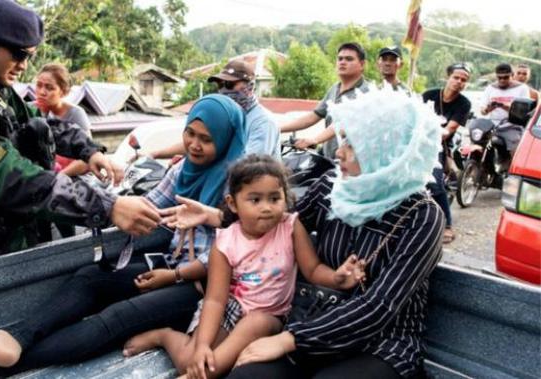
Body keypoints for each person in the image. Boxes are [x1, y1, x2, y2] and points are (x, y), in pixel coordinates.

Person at [0, 94, 249, 378]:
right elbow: (149, 208)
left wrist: (175, 273)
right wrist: (104, 200)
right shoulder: (183, 170)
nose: (194, 144)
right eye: (189, 133)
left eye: (206, 139)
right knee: (90, 278)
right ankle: (13, 339)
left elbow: (242, 252)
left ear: (226, 140)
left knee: (114, 319)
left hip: (207, 288)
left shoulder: (241, 185)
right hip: (171, 264)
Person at [164, 87, 445, 379]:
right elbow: (272, 222)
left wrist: (288, 339)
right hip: (315, 320)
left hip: (381, 343)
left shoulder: (422, 216)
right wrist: (216, 216)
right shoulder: (332, 185)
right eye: (342, 140)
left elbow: (379, 306)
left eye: (352, 144)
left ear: (386, 152)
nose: (338, 151)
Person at [0, 0, 160, 266]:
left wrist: (88, 150)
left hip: (13, 245)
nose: (24, 65)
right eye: (18, 54)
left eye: (29, 56)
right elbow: (11, 177)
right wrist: (108, 206)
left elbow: (39, 123)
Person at [122, 155, 365, 378]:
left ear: (285, 198)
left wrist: (337, 278)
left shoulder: (290, 227)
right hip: (231, 306)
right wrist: (203, 345)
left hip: (271, 315)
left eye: (275, 198)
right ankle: (165, 336)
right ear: (233, 203)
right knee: (190, 360)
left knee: (253, 325)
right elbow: (215, 300)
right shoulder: (225, 243)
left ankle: (202, 374)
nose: (267, 207)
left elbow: (312, 270)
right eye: (255, 199)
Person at [147, 60, 281, 161]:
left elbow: (248, 165)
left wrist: (194, 164)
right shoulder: (225, 118)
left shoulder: (262, 123)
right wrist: (154, 154)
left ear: (250, 86)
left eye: (229, 84)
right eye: (220, 85)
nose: (223, 90)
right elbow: (197, 144)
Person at [281, 42, 371, 156]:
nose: (343, 62)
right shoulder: (334, 88)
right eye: (340, 59)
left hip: (352, 165)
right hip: (328, 159)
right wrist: (277, 128)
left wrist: (315, 140)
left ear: (362, 64)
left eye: (349, 59)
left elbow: (342, 125)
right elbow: (313, 117)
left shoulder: (366, 92)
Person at [422, 63, 472, 244]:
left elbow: (448, 130)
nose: (459, 82)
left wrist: (430, 130)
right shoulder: (429, 95)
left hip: (439, 144)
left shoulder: (464, 103)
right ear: (448, 77)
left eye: (463, 80)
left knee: (434, 183)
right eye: (456, 77)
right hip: (416, 141)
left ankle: (447, 224)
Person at [34, 63, 91, 178]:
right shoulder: (29, 110)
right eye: (39, 85)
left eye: (49, 88)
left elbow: (87, 158)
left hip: (69, 178)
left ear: (64, 92)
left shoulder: (75, 114)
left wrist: (56, 179)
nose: (42, 92)